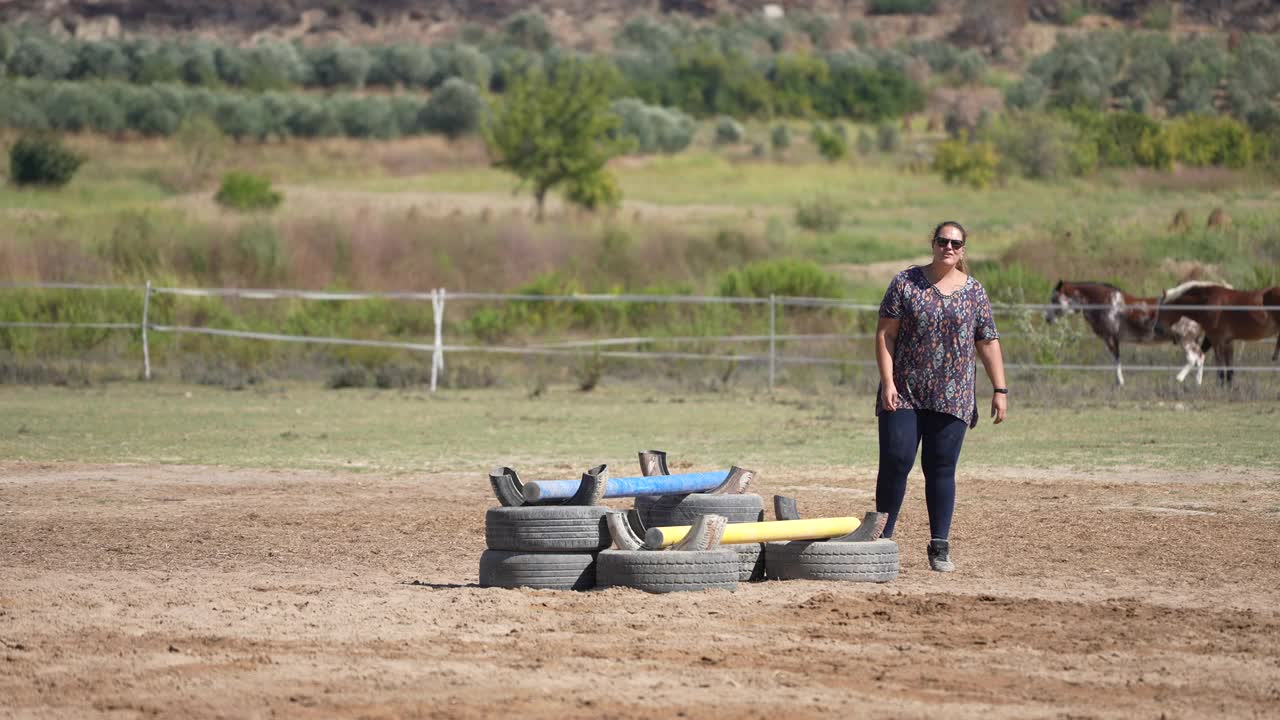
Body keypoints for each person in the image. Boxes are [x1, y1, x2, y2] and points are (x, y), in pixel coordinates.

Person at [873, 221, 1007, 572]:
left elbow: (988, 341)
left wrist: (1000, 389)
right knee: (896, 459)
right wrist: (887, 381)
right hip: (904, 390)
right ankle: (881, 538)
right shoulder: (905, 283)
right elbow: (885, 335)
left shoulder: (975, 292)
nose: (949, 247)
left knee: (941, 467)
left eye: (956, 243)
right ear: (933, 244)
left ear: (963, 250)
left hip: (953, 394)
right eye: (943, 241)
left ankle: (940, 546)